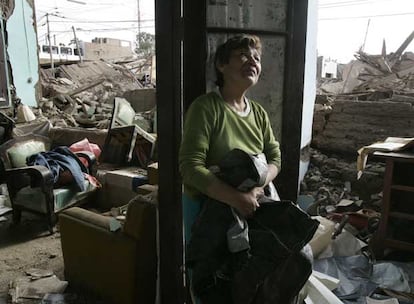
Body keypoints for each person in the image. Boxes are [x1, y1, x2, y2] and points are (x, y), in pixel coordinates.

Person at [179, 34, 281, 219]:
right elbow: (190, 167)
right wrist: (236, 198)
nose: (252, 60)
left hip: (252, 205)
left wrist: (257, 189)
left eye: (256, 58)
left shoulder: (259, 113)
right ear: (221, 65)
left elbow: (275, 158)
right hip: (209, 214)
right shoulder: (205, 108)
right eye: (243, 55)